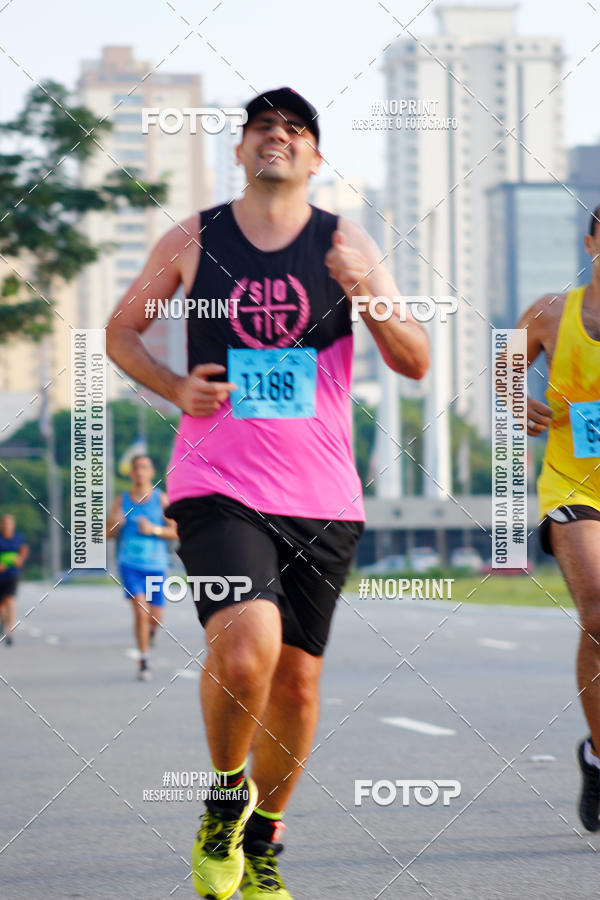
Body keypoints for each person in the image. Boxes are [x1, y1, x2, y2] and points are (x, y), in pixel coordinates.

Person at [106, 86, 429, 899]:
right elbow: (120, 329)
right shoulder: (197, 237)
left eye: (294, 130)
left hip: (323, 495)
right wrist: (175, 388)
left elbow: (415, 359)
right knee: (246, 651)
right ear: (242, 151)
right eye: (261, 129)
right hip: (217, 485)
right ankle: (223, 802)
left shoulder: (344, 242)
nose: (276, 138)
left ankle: (264, 845)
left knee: (297, 682)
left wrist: (368, 289)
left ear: (316, 157)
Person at [518, 202, 600, 832]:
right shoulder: (553, 312)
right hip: (572, 485)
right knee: (598, 610)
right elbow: (503, 365)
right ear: (590, 242)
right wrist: (516, 400)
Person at [106, 454, 177, 680]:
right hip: (129, 565)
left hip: (156, 566)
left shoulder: (161, 500)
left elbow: (176, 531)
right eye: (136, 468)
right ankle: (144, 661)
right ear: (131, 472)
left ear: (151, 473)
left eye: (144, 467)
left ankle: (152, 631)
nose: (139, 472)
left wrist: (154, 530)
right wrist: (116, 524)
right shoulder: (121, 500)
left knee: (155, 618)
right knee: (140, 609)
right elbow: (107, 534)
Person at [0, 513, 29, 647]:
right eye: (4, 523)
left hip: (12, 575)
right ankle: (2, 622)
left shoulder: (18, 538)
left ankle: (10, 632)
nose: (7, 525)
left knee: (10, 601)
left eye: (9, 523)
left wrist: (20, 559)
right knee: (1, 606)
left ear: (13, 525)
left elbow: (23, 549)